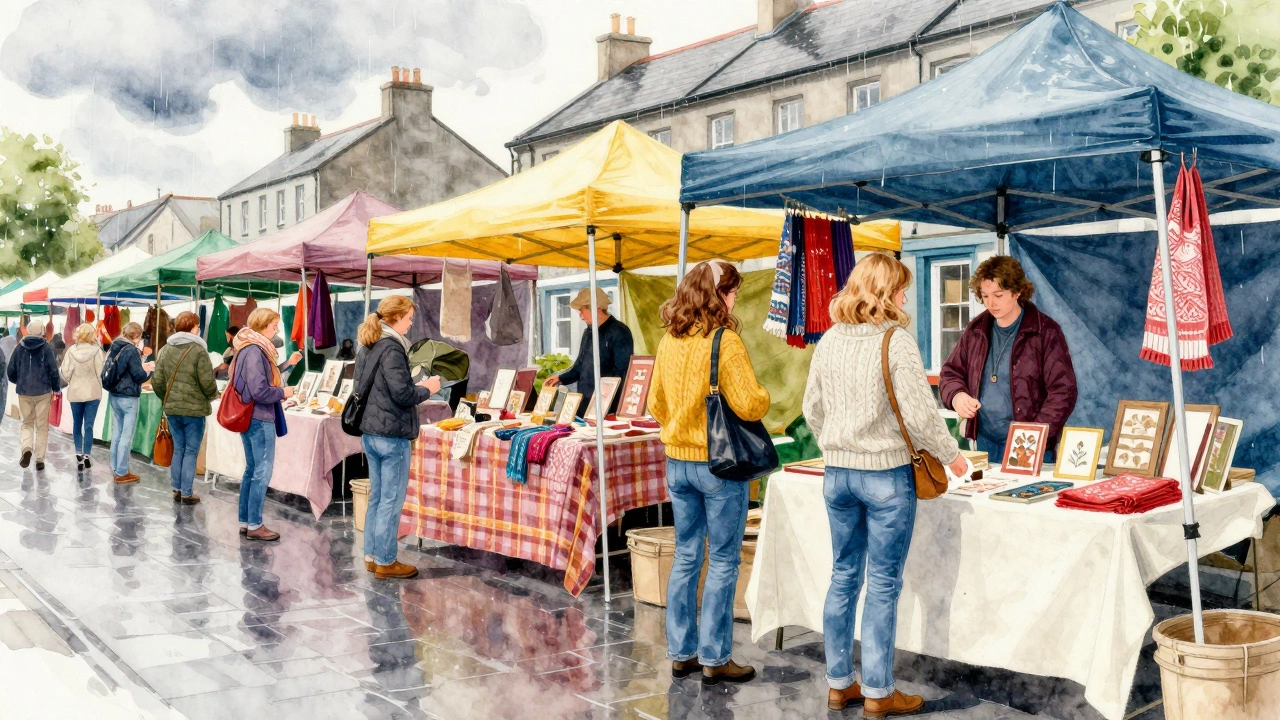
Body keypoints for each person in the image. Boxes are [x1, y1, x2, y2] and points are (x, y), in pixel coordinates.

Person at [804, 253, 967, 715]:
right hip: (885, 476)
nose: (904, 297)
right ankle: (878, 691)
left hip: (837, 475)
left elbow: (811, 408)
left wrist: (838, 444)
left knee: (842, 576)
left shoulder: (830, 339)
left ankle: (839, 684)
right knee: (881, 584)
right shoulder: (896, 341)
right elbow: (921, 415)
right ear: (885, 292)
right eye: (900, 289)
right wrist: (952, 456)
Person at [648, 261, 769, 686]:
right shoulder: (725, 341)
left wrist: (680, 424)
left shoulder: (669, 339)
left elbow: (655, 404)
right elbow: (750, 404)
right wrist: (764, 394)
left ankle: (682, 653)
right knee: (722, 559)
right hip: (719, 466)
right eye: (732, 292)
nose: (734, 300)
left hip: (677, 463)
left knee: (686, 555)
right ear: (719, 294)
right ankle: (715, 658)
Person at [939, 256, 1077, 464]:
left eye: (998, 295)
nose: (990, 303)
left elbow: (1063, 391)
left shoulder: (1045, 331)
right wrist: (957, 396)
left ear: (1017, 291)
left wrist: (1034, 436)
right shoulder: (976, 330)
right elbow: (950, 372)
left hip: (1029, 445)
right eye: (985, 296)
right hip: (984, 442)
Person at [355, 296, 442, 579]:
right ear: (396, 318)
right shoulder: (392, 347)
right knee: (390, 501)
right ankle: (386, 561)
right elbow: (403, 394)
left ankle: (371, 556)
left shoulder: (368, 344)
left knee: (378, 498)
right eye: (409, 318)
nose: (411, 323)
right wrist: (428, 388)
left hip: (371, 432)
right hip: (392, 435)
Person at [230, 309, 294, 541]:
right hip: (259, 416)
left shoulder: (246, 347)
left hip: (250, 416)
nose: (276, 330)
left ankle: (246, 521)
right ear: (263, 325)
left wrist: (286, 366)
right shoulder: (256, 350)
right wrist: (283, 392)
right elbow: (259, 390)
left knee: (252, 470)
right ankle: (255, 525)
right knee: (261, 472)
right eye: (274, 325)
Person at [152, 312, 219, 505]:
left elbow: (157, 381)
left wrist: (167, 398)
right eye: (197, 325)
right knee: (190, 450)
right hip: (194, 410)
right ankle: (187, 492)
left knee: (179, 448)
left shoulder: (165, 349)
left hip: (172, 409)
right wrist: (213, 395)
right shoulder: (198, 350)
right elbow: (207, 382)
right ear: (193, 327)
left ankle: (177, 488)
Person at [542, 287, 633, 416]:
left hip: (608, 406)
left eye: (582, 311)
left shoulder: (620, 332)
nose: (580, 316)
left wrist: (603, 396)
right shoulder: (588, 333)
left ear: (596, 308)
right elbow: (579, 366)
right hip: (584, 403)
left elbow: (622, 372)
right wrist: (560, 378)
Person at [103, 322, 155, 484]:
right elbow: (139, 376)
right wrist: (149, 370)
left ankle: (115, 467)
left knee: (116, 433)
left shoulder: (115, 346)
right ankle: (122, 472)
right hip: (128, 396)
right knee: (126, 435)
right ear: (137, 336)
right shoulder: (131, 350)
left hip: (114, 394)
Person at [7, 320, 62, 471]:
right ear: (41, 332)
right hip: (43, 392)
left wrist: (20, 381)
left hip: (24, 392)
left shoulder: (19, 348)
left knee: (27, 423)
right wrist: (56, 388)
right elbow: (53, 370)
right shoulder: (46, 347)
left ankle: (26, 448)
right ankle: (39, 459)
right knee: (42, 426)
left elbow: (10, 370)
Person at [60, 323, 105, 470]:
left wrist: (72, 381)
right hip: (93, 392)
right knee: (89, 425)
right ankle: (87, 455)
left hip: (76, 391)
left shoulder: (71, 351)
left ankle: (78, 452)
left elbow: (65, 372)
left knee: (77, 424)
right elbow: (101, 373)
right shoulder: (97, 351)